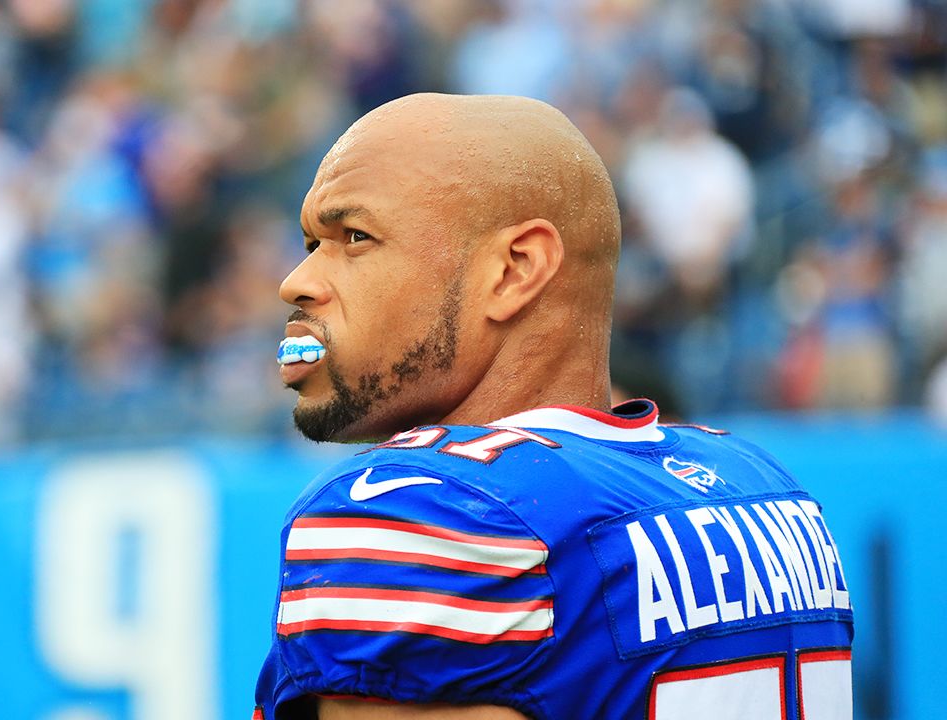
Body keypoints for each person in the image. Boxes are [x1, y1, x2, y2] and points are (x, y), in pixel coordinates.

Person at [255, 94, 853, 720]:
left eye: (355, 237)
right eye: (310, 242)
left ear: (515, 269)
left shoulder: (422, 510)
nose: (297, 280)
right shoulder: (764, 488)